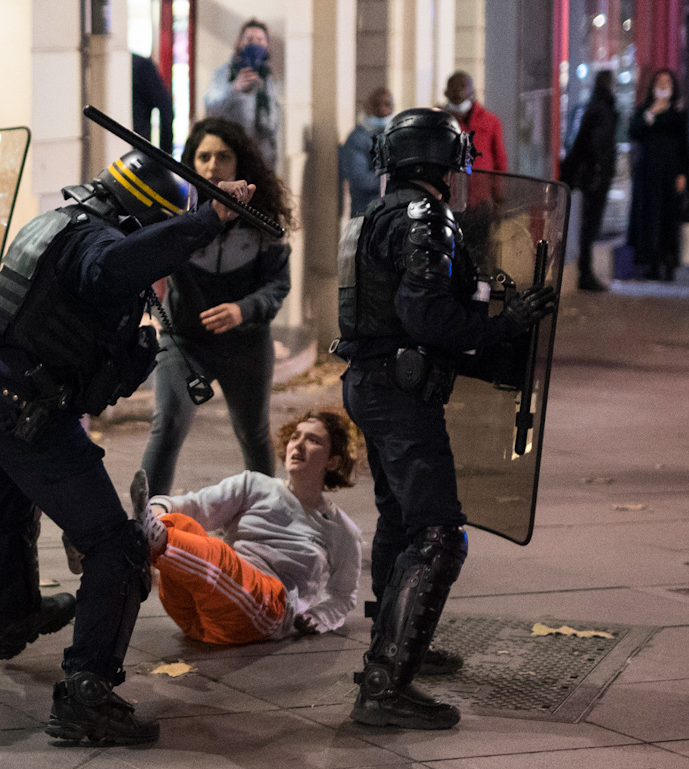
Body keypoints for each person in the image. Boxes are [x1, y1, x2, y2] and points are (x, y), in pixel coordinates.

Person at [0, 149, 254, 745]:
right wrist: (204, 221)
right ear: (146, 216)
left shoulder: (63, 217)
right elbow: (113, 268)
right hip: (24, 407)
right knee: (117, 548)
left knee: (9, 511)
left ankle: (13, 617)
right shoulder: (97, 242)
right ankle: (87, 692)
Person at [333, 107, 559, 729]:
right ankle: (385, 683)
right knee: (438, 535)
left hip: (367, 382)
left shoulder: (372, 216)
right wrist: (506, 324)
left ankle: (398, 644)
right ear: (445, 162)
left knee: (400, 521)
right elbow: (426, 316)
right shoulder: (425, 216)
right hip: (398, 392)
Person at [140, 117, 292, 496]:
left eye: (223, 156)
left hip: (247, 342)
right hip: (184, 342)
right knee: (168, 425)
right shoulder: (176, 213)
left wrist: (244, 309)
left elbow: (278, 284)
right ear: (190, 162)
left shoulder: (262, 218)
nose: (212, 166)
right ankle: (143, 526)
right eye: (203, 156)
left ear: (240, 163)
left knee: (253, 432)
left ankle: (267, 521)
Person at [137, 410, 362, 646]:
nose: (299, 445)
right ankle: (153, 532)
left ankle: (155, 540)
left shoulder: (342, 530)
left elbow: (343, 596)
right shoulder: (254, 484)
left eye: (313, 440)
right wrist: (161, 506)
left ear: (332, 461)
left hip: (266, 607)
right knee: (184, 524)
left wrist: (321, 617)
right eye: (296, 437)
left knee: (220, 555)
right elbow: (196, 506)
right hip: (200, 605)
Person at [627, 68, 689, 282]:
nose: (663, 85)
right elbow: (633, 132)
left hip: (670, 172)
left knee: (668, 217)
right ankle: (650, 262)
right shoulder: (644, 110)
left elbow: (684, 144)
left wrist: (683, 173)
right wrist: (651, 114)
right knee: (648, 216)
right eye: (659, 81)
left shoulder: (679, 112)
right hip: (647, 173)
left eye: (667, 82)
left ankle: (669, 263)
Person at [560, 70, 618, 292]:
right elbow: (597, 144)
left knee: (588, 224)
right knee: (590, 224)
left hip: (588, 173)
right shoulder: (603, 110)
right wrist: (598, 170)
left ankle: (586, 271)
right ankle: (585, 272)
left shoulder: (589, 107)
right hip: (595, 176)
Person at [204, 18, 282, 169]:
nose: (255, 44)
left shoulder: (269, 80)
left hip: (263, 160)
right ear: (240, 42)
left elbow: (274, 125)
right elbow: (211, 109)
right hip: (230, 154)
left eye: (260, 39)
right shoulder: (224, 74)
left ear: (267, 45)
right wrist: (233, 90)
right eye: (249, 39)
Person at [341, 87, 395, 218]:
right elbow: (361, 179)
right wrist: (392, 178)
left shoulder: (396, 135)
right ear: (367, 107)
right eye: (376, 104)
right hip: (366, 214)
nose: (382, 110)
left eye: (387, 105)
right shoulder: (357, 138)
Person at [442, 71, 506, 173]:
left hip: (481, 185)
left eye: (462, 86)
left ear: (472, 92)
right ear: (445, 92)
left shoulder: (491, 121)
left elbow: (500, 160)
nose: (457, 90)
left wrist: (498, 187)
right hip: (447, 184)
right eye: (453, 86)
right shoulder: (437, 121)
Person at [132, 53, 174, 153]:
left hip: (137, 148)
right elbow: (166, 109)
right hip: (138, 148)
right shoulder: (139, 64)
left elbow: (165, 109)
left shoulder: (138, 65)